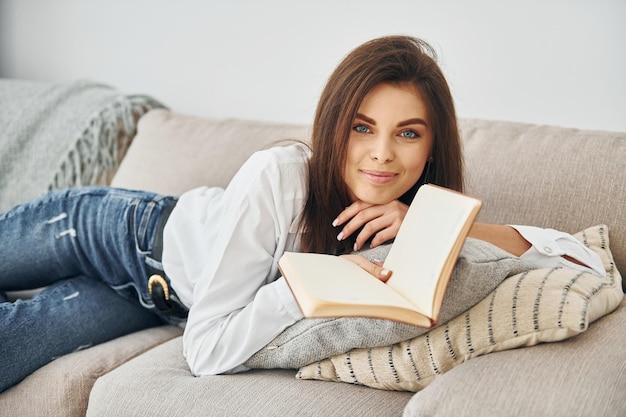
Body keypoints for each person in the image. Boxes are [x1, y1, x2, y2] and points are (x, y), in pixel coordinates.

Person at [0, 35, 605, 391]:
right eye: (363, 127)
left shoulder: (419, 212)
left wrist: (442, 225)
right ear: (336, 124)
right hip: (119, 231)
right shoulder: (282, 176)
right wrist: (308, 285)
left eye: (409, 133)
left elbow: (579, 257)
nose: (382, 154)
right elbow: (206, 353)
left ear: (433, 144)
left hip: (159, 300)